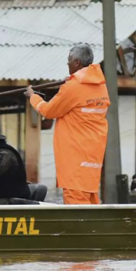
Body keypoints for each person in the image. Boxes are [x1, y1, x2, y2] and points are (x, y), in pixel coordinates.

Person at [24, 44, 109, 205]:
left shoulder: (73, 87)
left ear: (77, 62)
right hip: (92, 156)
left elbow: (49, 111)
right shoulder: (100, 85)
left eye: (69, 60)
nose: (67, 64)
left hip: (75, 157)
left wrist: (33, 97)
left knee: (76, 206)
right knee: (91, 200)